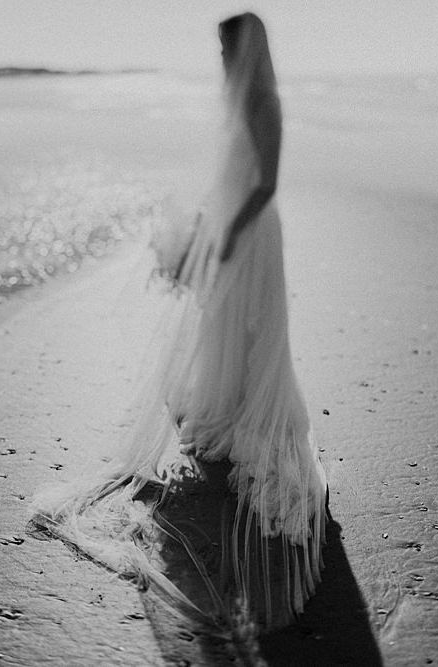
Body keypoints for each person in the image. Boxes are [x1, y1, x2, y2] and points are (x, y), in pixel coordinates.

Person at [35, 12, 327, 633]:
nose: (222, 57)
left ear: (248, 49)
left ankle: (255, 416)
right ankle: (228, 407)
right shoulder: (235, 103)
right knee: (222, 330)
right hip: (228, 231)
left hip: (251, 236)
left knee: (253, 330)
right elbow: (224, 176)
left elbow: (265, 183)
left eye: (227, 47)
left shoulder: (267, 104)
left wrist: (224, 238)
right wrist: (194, 230)